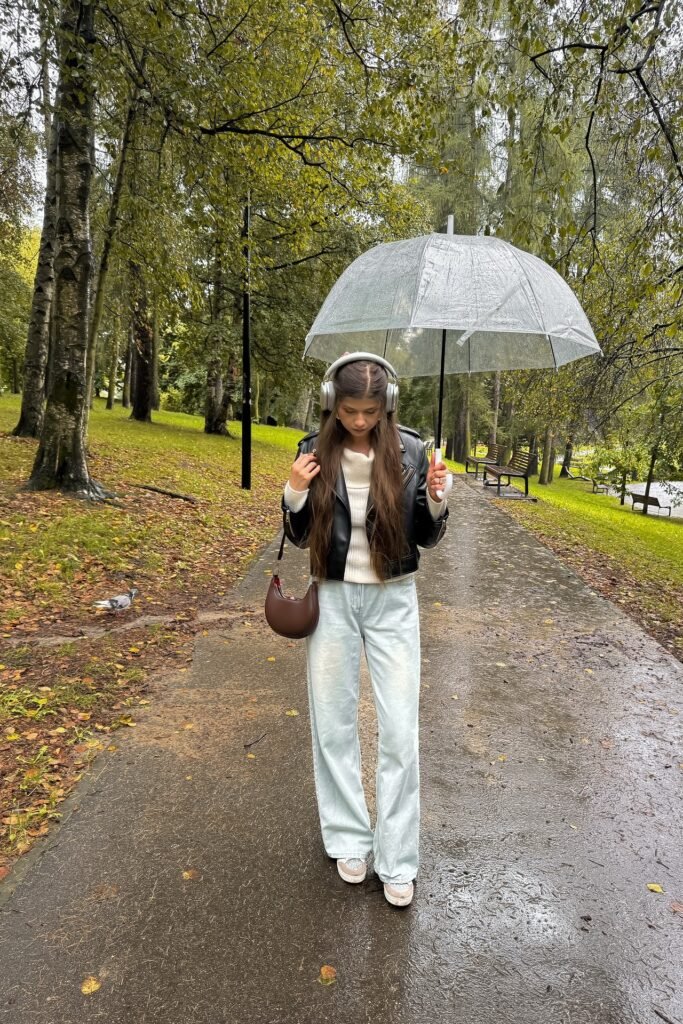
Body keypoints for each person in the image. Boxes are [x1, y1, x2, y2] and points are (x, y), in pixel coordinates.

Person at [281, 352, 449, 907]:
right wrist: (295, 493)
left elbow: (424, 535)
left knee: (401, 730)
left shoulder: (411, 451)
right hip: (332, 596)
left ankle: (397, 857)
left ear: (388, 406)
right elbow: (301, 537)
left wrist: (436, 499)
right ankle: (349, 837)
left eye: (370, 411)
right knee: (333, 723)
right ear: (333, 404)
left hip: (393, 601)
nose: (359, 421)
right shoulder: (313, 450)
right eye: (350, 410)